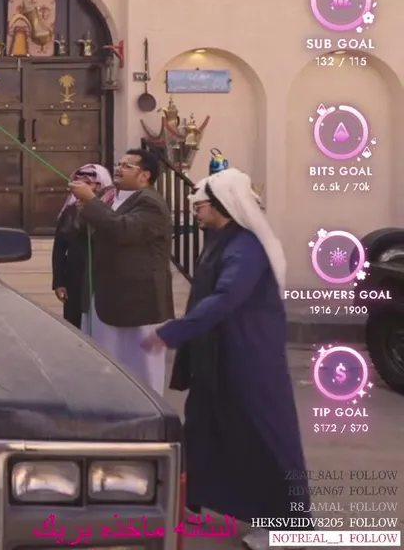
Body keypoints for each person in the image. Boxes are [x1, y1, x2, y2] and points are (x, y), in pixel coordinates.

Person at [141, 169, 308, 550]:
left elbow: (226, 298)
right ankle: (190, 500)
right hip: (215, 355)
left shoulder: (245, 248)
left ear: (223, 207)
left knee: (265, 437)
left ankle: (288, 523)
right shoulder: (221, 241)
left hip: (248, 356)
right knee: (203, 428)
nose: (195, 213)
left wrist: (173, 332)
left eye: (199, 206)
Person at [67, 148, 173, 391]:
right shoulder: (107, 195)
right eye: (118, 164)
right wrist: (85, 207)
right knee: (105, 360)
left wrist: (92, 203)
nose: (118, 168)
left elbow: (124, 230)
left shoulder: (151, 203)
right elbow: (82, 232)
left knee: (141, 365)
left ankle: (147, 406)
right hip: (104, 292)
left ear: (145, 175)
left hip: (137, 298)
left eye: (127, 166)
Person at [52, 164, 113, 329]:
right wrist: (59, 282)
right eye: (77, 182)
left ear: (99, 186)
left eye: (87, 183)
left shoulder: (111, 211)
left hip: (101, 276)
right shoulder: (69, 211)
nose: (80, 187)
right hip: (75, 275)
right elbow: (59, 248)